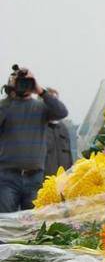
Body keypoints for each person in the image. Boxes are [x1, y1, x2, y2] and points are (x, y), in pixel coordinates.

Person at [0, 65, 69, 212]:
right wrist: (10, 93)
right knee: (5, 221)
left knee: (32, 222)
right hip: (8, 176)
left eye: (27, 82)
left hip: (34, 176)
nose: (23, 85)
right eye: (20, 82)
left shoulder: (40, 108)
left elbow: (62, 112)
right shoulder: (6, 107)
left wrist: (40, 90)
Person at [43, 89, 74, 177]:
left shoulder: (63, 128)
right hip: (44, 180)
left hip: (64, 179)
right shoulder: (37, 128)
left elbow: (69, 155)